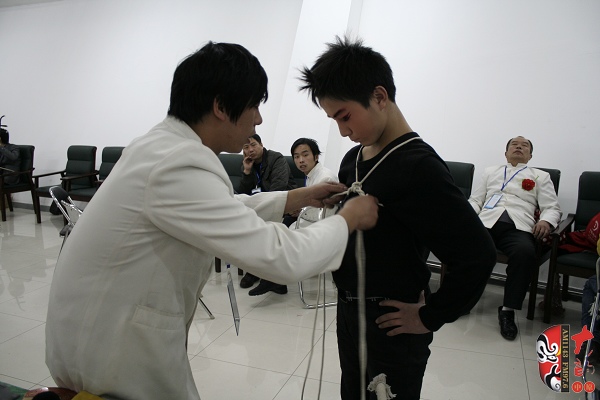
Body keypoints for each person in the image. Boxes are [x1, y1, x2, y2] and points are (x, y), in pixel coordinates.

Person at [44, 41, 379, 400]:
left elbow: (220, 207)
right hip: (112, 350)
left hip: (95, 333)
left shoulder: (161, 147)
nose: (258, 119)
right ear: (220, 106)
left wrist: (295, 197)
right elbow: (281, 256)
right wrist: (347, 219)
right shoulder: (178, 162)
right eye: (254, 106)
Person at [299, 37, 496, 400]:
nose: (343, 131)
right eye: (334, 120)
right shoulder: (353, 160)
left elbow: (477, 253)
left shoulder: (418, 166)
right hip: (349, 310)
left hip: (391, 321)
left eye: (345, 116)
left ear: (379, 96)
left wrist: (430, 316)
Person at [468, 136, 561, 340]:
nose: (519, 147)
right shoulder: (490, 172)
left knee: (525, 254)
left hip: (518, 227)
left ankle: (507, 311)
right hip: (486, 224)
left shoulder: (540, 176)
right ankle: (463, 300)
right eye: (514, 145)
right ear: (506, 153)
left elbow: (551, 208)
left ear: (530, 155)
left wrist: (545, 221)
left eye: (524, 145)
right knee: (469, 248)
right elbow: (476, 200)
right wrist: (466, 216)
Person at [237, 133, 298, 295]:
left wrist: (261, 209)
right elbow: (243, 193)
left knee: (267, 229)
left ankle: (264, 275)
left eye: (253, 145)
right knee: (249, 225)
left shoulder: (276, 159)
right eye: (246, 147)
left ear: (261, 145)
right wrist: (247, 172)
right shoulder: (247, 164)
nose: (250, 150)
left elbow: (279, 188)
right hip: (262, 207)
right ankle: (261, 272)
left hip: (285, 206)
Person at [290, 137, 338, 228]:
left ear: (316, 157)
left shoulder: (326, 178)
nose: (301, 160)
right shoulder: (310, 175)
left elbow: (325, 214)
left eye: (305, 155)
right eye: (296, 157)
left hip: (319, 227)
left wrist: (300, 210)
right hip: (308, 222)